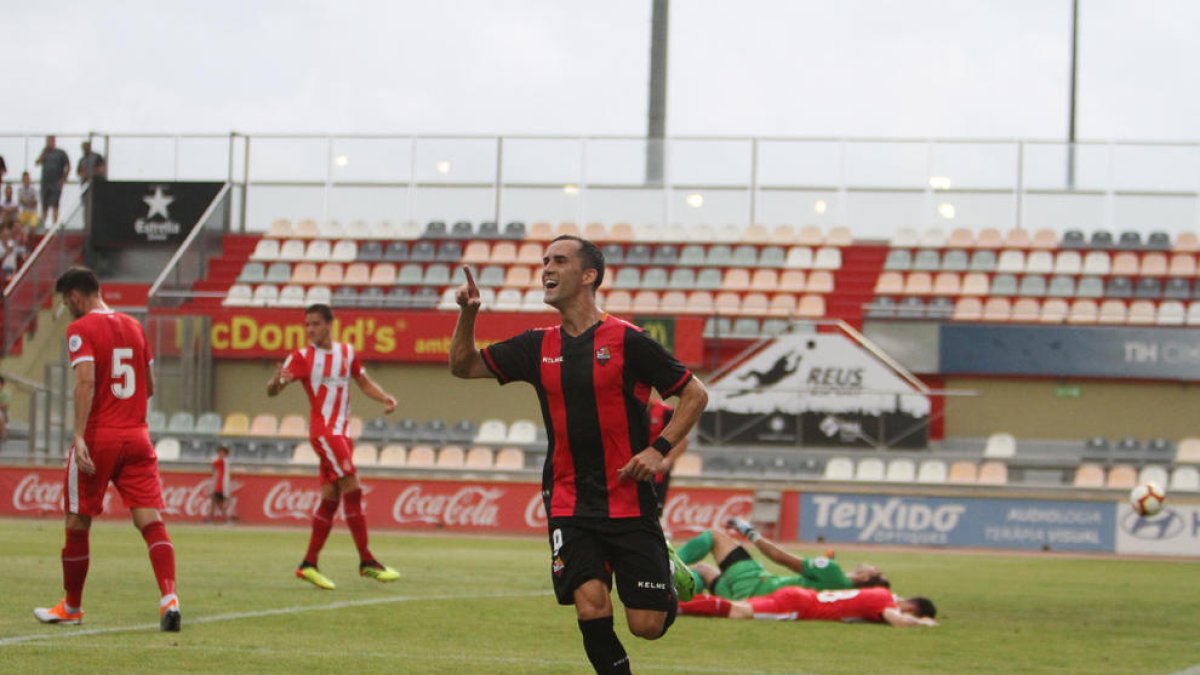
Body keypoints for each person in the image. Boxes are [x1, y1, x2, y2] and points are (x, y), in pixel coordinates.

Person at [450, 235, 710, 675]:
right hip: (568, 499)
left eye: (559, 260)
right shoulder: (536, 345)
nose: (547, 269)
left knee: (646, 625)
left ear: (589, 275)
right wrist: (468, 314)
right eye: (545, 261)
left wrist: (658, 450)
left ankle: (665, 566)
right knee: (591, 605)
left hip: (628, 498)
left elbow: (695, 394)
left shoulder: (629, 341)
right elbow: (464, 365)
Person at [34, 266, 181, 631]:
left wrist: (79, 435)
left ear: (75, 296)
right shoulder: (134, 326)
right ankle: (169, 598)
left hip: (100, 438)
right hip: (138, 437)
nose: (68, 309)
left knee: (77, 520)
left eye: (67, 302)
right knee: (150, 521)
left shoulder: (80, 329)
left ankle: (72, 606)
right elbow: (149, 386)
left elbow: (85, 382)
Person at [267, 303, 401, 589]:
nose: (310, 329)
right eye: (307, 324)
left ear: (329, 324)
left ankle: (308, 564)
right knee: (353, 487)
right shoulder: (302, 357)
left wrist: (384, 397)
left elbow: (363, 383)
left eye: (315, 324)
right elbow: (273, 391)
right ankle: (367, 561)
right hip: (325, 433)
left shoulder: (346, 352)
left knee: (331, 496)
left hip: (343, 434)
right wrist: (275, 382)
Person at [675, 518, 888, 600]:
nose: (873, 566)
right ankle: (672, 593)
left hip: (755, 584)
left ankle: (668, 563)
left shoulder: (833, 572)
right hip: (748, 600)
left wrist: (749, 532)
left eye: (875, 570)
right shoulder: (846, 593)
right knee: (702, 570)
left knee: (714, 536)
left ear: (864, 578)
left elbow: (780, 557)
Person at [680, 586, 937, 627]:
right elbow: (898, 622)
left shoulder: (880, 592)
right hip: (800, 607)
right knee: (738, 612)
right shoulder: (886, 602)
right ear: (912, 608)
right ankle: (678, 606)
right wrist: (923, 623)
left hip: (799, 596)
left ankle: (682, 601)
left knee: (737, 605)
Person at [648, 397, 689, 520]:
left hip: (657, 472)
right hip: (635, 471)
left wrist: (668, 461)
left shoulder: (666, 412)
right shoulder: (629, 411)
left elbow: (683, 439)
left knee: (653, 513)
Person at [35, 136, 70, 226]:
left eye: (51, 141)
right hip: (45, 184)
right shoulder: (45, 153)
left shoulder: (60, 153)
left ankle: (55, 226)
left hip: (56, 183)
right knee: (45, 206)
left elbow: (68, 165)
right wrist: (43, 153)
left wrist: (64, 178)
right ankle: (43, 226)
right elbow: (37, 163)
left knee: (55, 205)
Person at [209, 445, 231, 524]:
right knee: (215, 502)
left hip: (221, 485)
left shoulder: (223, 461)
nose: (220, 454)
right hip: (217, 484)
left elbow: (214, 463)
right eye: (219, 452)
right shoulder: (222, 461)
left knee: (219, 503)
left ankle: (225, 519)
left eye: (222, 453)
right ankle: (223, 519)